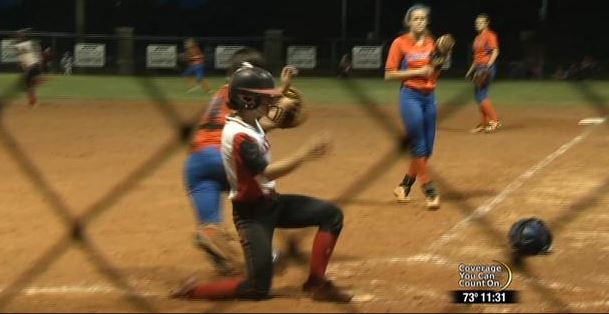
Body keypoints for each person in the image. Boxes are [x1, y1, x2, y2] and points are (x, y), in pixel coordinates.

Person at [172, 65, 352, 302]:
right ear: (247, 100)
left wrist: (283, 88)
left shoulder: (248, 121)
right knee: (257, 288)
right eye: (265, 99)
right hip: (252, 215)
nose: (271, 103)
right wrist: (304, 154)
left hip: (272, 203)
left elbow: (267, 118)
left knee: (331, 215)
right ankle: (193, 291)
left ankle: (317, 283)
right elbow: (267, 172)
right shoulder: (238, 136)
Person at [185, 48, 298, 276]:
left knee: (210, 225)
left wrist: (282, 92)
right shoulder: (244, 95)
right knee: (257, 197)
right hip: (225, 158)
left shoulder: (222, 93)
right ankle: (264, 253)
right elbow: (264, 115)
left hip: (196, 162)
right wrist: (284, 95)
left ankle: (215, 243)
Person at [384, 4, 442, 209]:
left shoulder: (431, 43)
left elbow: (433, 71)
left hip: (430, 97)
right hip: (410, 97)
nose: (419, 21)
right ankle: (429, 190)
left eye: (423, 19)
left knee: (427, 150)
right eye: (415, 18)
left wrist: (437, 65)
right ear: (408, 21)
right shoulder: (400, 43)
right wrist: (417, 73)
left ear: (427, 22)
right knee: (418, 145)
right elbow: (389, 74)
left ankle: (404, 186)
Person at [465, 13, 501, 133]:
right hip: (479, 68)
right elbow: (476, 58)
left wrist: (488, 66)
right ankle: (484, 123)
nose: (477, 24)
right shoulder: (477, 38)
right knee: (478, 96)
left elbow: (495, 51)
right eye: (476, 22)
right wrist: (470, 71)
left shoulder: (490, 35)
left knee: (481, 95)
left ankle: (495, 121)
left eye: (480, 22)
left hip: (486, 68)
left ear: (486, 23)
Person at [13, 31, 43, 107]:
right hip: (35, 65)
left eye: (18, 37)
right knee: (31, 85)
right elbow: (34, 51)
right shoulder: (29, 43)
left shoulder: (19, 46)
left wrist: (22, 65)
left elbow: (21, 59)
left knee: (29, 86)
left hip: (31, 66)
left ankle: (32, 102)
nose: (18, 38)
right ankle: (33, 101)